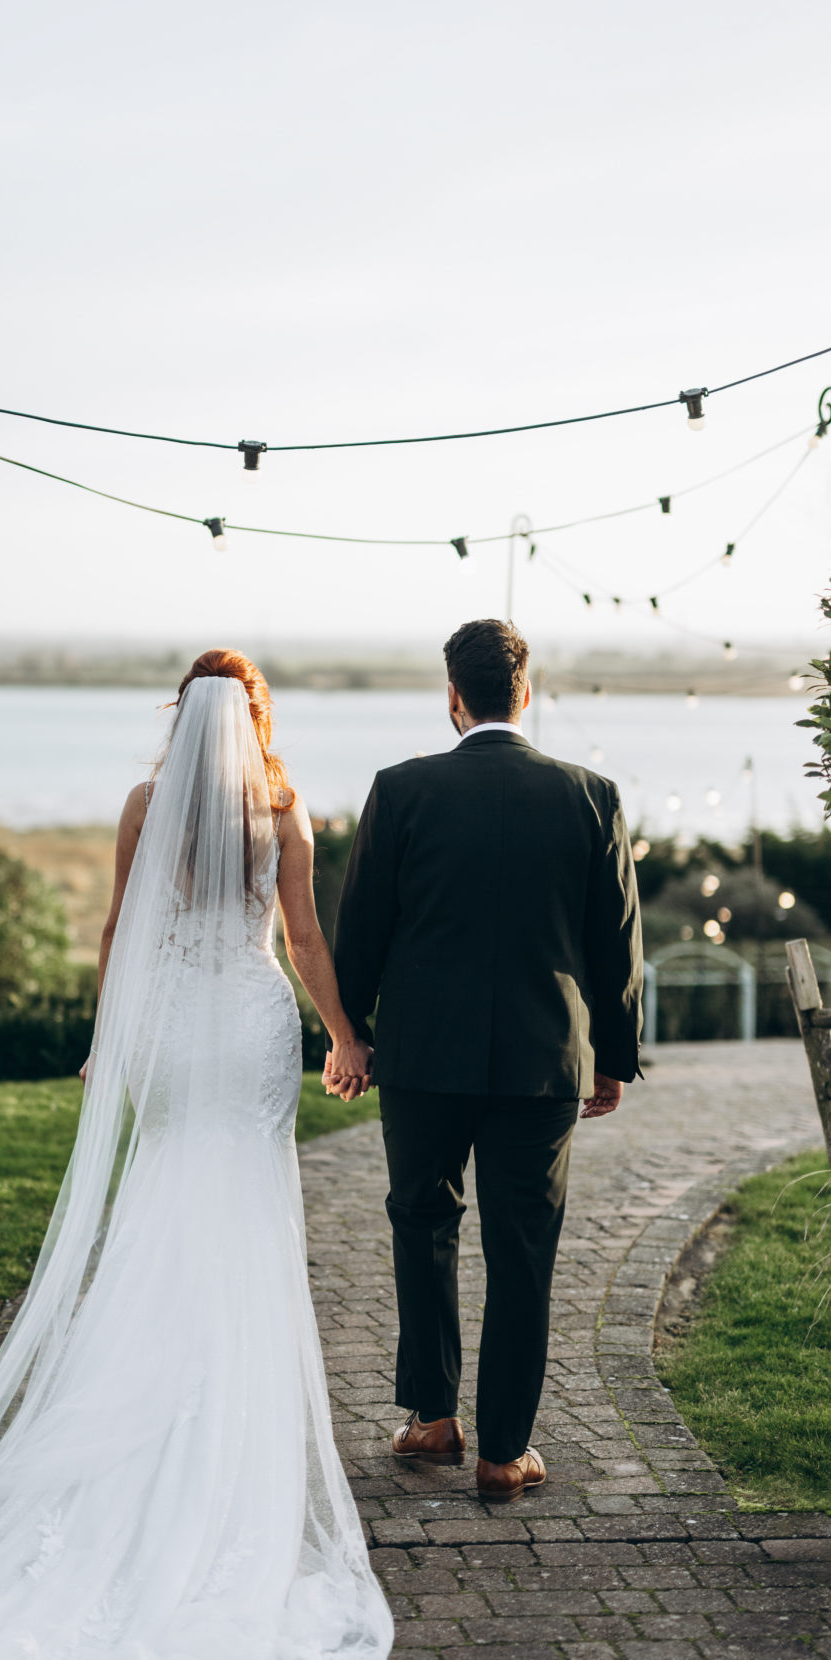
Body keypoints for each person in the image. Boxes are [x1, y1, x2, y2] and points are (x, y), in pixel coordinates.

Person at [0, 650, 392, 1660]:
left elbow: (122, 926)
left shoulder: (146, 801)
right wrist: (343, 1034)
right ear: (255, 717)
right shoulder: (284, 806)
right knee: (246, 1207)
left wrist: (106, 1041)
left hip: (172, 1024)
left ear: (183, 713)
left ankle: (145, 1388)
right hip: (252, 1022)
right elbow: (304, 935)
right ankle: (222, 1427)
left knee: (165, 1188)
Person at [329, 618, 643, 1501]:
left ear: (454, 698)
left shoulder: (401, 790)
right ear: (525, 694)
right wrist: (611, 1056)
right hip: (544, 1062)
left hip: (422, 1058)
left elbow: (362, 932)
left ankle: (431, 1419)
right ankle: (504, 1453)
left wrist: (351, 1033)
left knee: (419, 1225)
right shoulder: (591, 794)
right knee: (521, 1252)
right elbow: (615, 945)